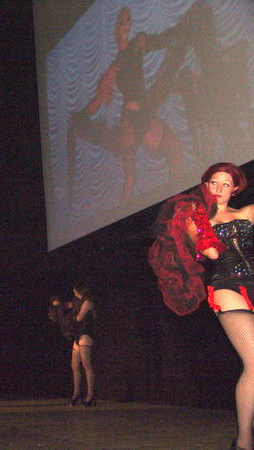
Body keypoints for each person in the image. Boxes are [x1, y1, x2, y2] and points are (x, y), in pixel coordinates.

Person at [149, 162, 254, 450]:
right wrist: (201, 217)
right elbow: (210, 252)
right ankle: (245, 441)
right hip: (227, 286)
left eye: (226, 185)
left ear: (235, 189)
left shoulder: (248, 212)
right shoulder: (194, 218)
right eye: (214, 183)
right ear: (204, 185)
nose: (219, 189)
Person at [67, 4, 202, 204]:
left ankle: (180, 199)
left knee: (174, 147)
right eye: (121, 22)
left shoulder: (134, 47)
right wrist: (102, 93)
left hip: (143, 108)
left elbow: (156, 45)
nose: (125, 26)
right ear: (116, 29)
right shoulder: (116, 65)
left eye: (127, 21)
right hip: (132, 116)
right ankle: (127, 206)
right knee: (130, 172)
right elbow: (98, 101)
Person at [49, 283, 97, 406]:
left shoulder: (87, 302)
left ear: (79, 290)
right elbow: (68, 305)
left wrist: (67, 319)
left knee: (86, 365)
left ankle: (91, 395)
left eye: (75, 290)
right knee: (74, 365)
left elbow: (79, 318)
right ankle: (76, 394)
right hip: (77, 334)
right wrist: (58, 305)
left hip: (85, 334)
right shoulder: (76, 301)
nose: (73, 291)